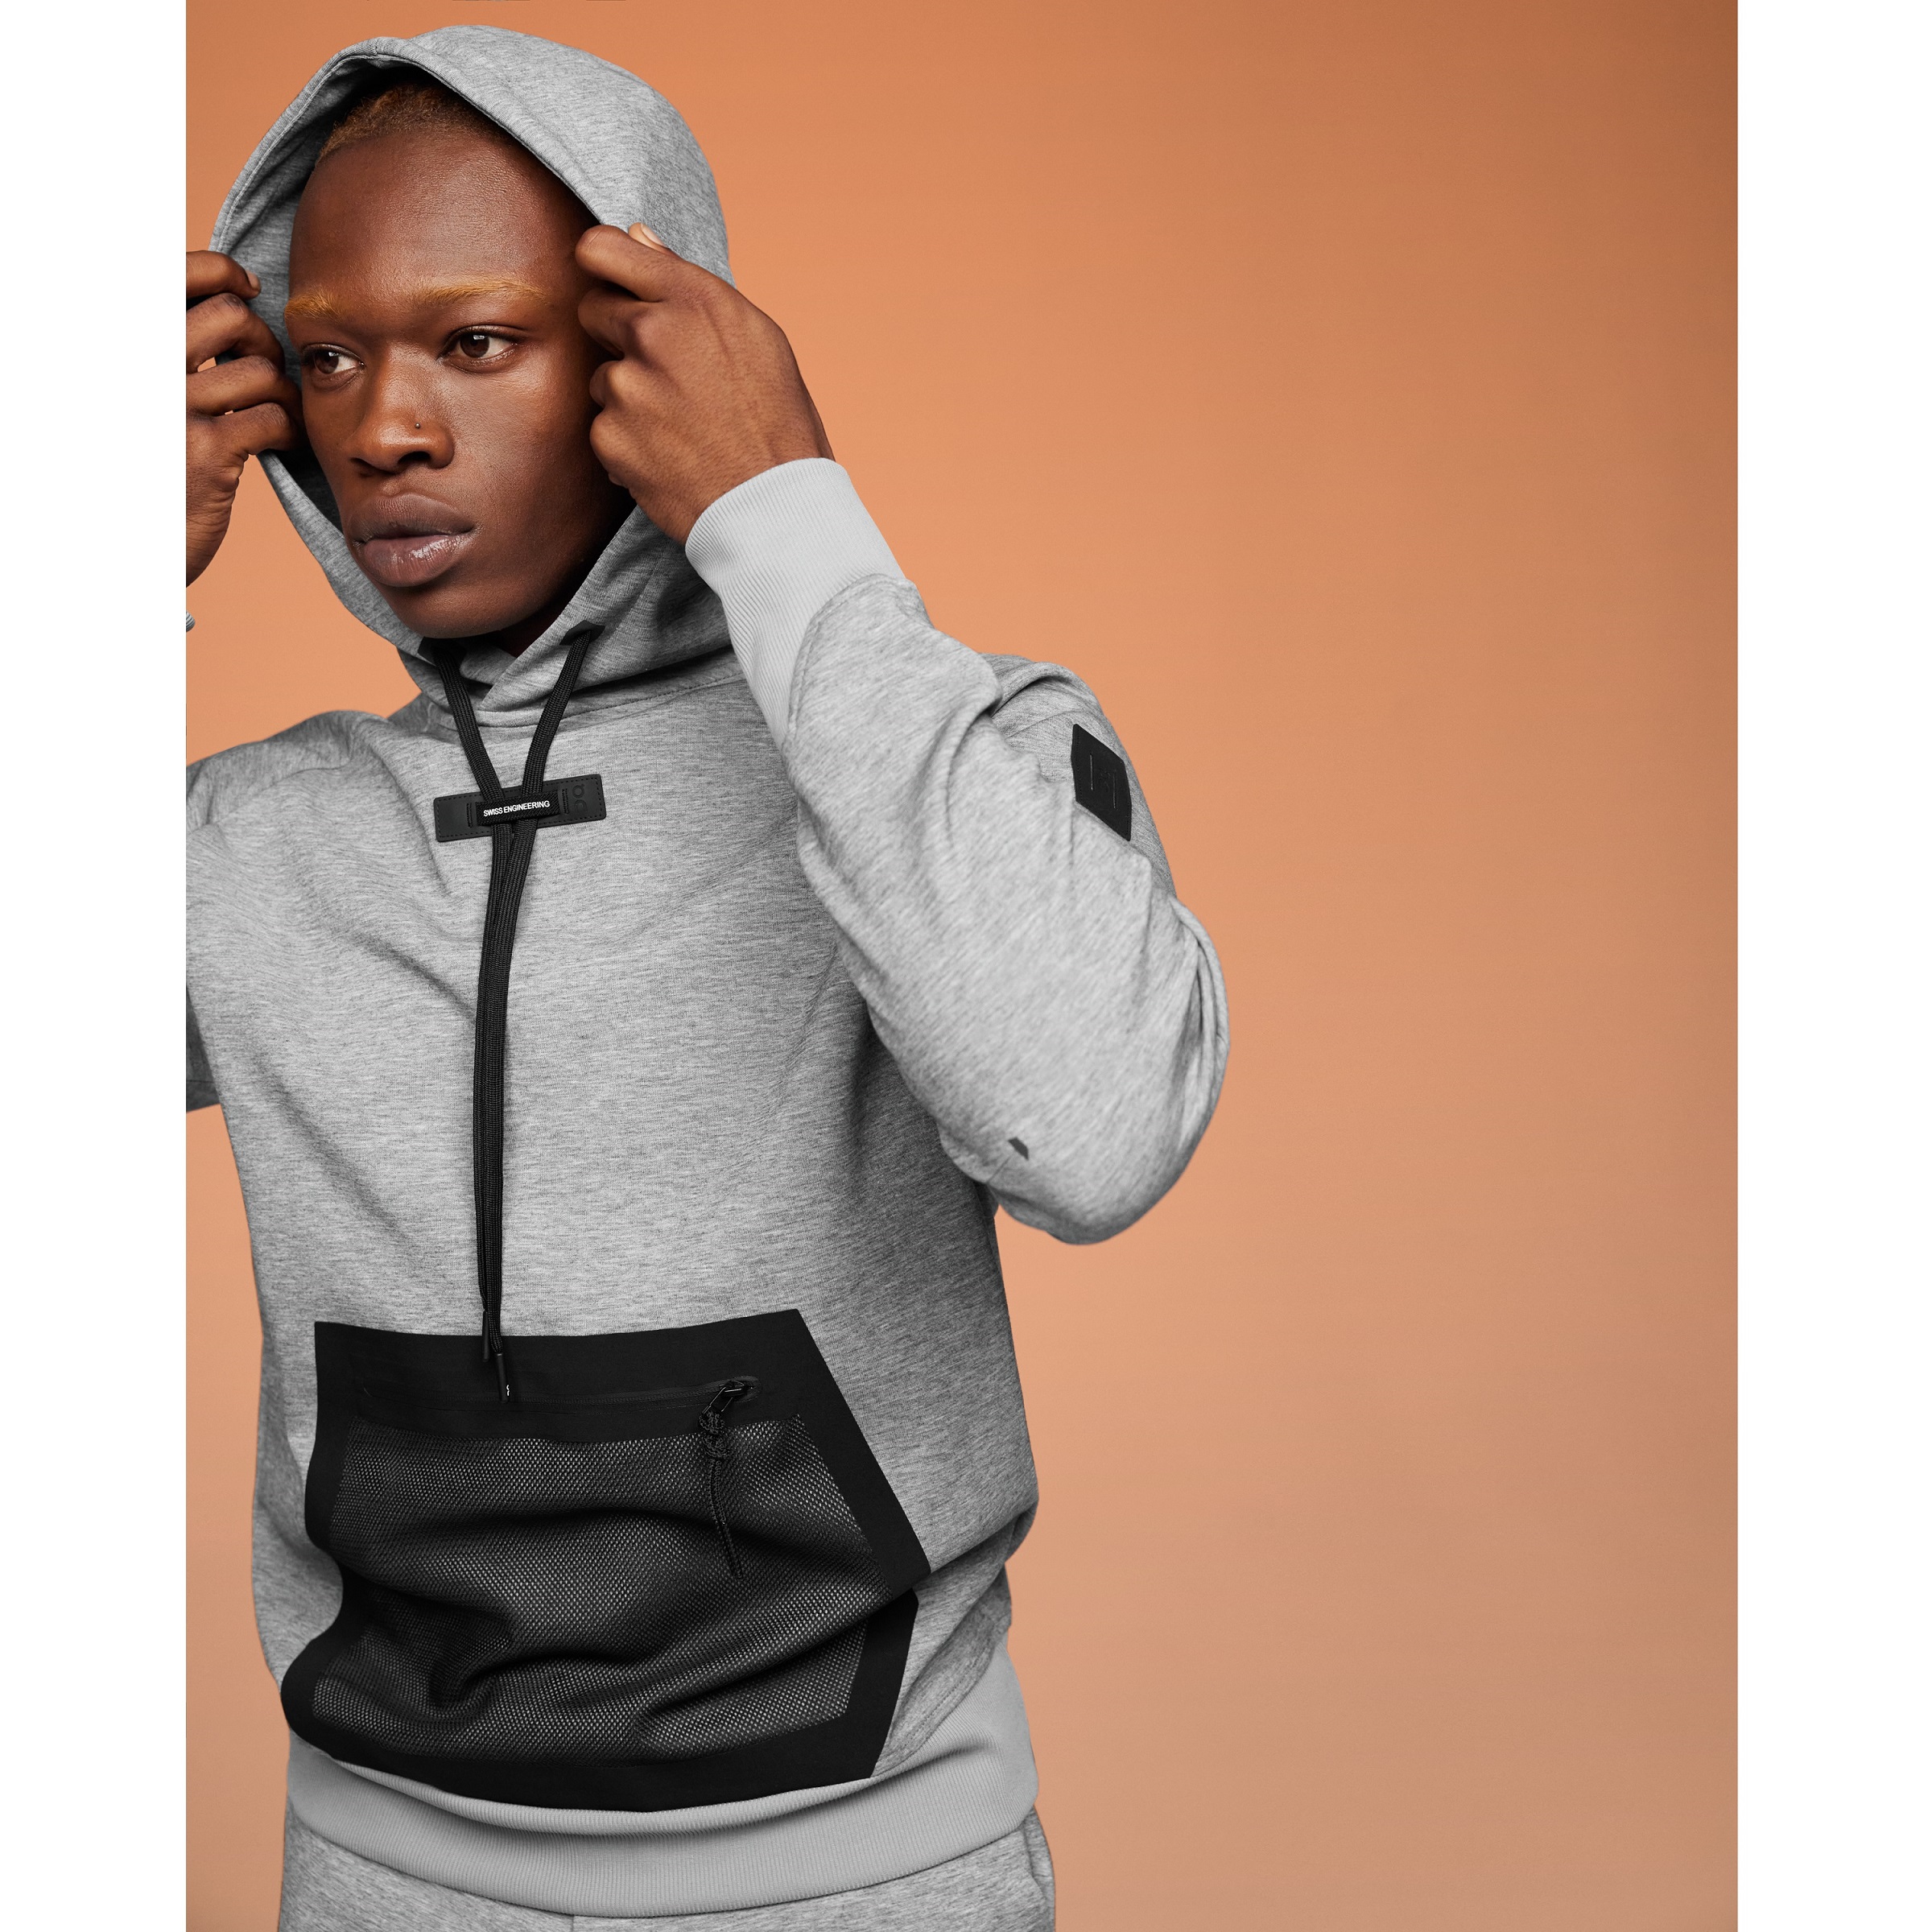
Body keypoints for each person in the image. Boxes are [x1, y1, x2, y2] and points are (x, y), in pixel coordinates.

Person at [188, 24, 1228, 1930]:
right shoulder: (250, 841)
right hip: (380, 1873)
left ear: (647, 353)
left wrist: (784, 520)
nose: (382, 427)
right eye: (324, 357)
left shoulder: (939, 761)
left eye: (473, 341)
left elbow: (1091, 1135)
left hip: (870, 1876)